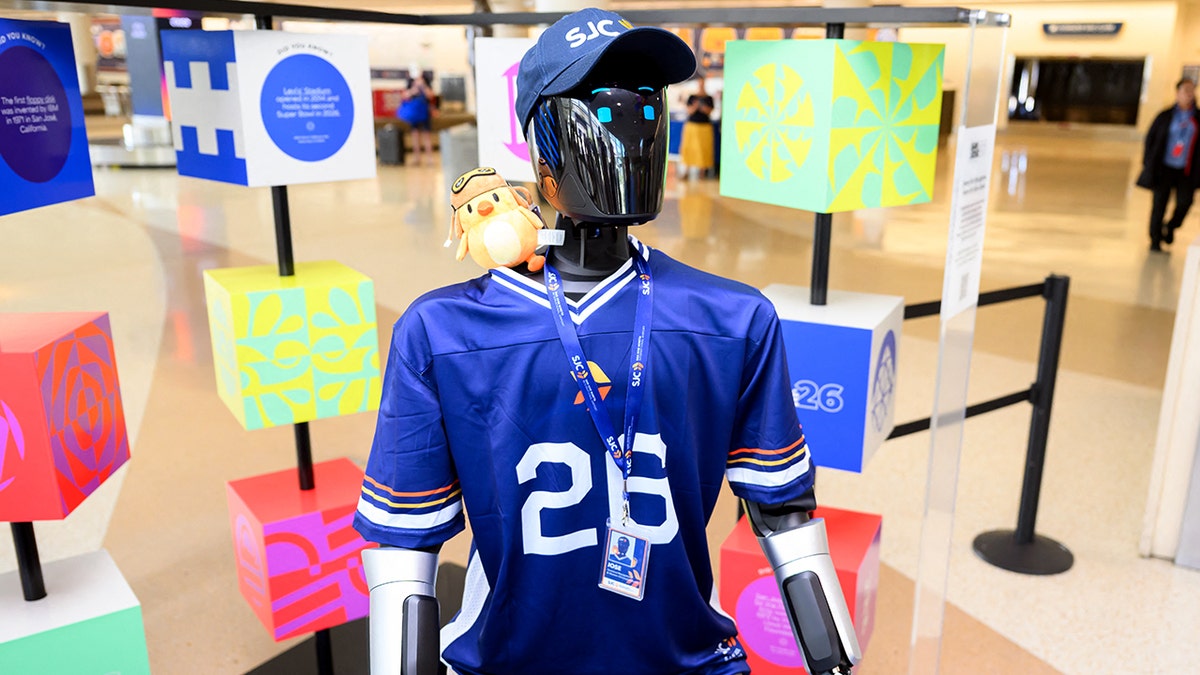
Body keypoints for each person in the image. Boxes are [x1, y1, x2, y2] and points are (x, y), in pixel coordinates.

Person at [355, 8, 861, 675]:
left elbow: (786, 516)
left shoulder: (734, 319)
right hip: (506, 660)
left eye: (646, 103)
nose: (628, 124)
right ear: (541, 149)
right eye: (600, 102)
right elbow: (402, 553)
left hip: (684, 658)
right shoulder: (443, 332)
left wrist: (836, 662)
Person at [1140, 78, 1200, 251]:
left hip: (1186, 170)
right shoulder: (1165, 116)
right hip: (1164, 168)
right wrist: (1148, 163)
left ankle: (1172, 226)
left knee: (1185, 202)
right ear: (1177, 92)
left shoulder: (1197, 118)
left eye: (1192, 90)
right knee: (1159, 204)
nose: (1189, 94)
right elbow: (1150, 140)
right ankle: (1155, 240)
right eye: (1185, 90)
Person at [679, 77, 716, 180]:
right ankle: (686, 171)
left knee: (703, 149)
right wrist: (696, 106)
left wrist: (703, 108)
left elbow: (709, 111)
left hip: (704, 126)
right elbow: (689, 111)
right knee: (689, 148)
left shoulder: (709, 98)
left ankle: (702, 173)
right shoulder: (692, 97)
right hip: (692, 125)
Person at [396, 74, 435, 165]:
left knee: (426, 136)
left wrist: (423, 85)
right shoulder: (410, 82)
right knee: (415, 135)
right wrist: (414, 89)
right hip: (414, 113)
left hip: (424, 113)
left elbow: (430, 96)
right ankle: (417, 158)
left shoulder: (425, 82)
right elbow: (404, 96)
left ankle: (430, 158)